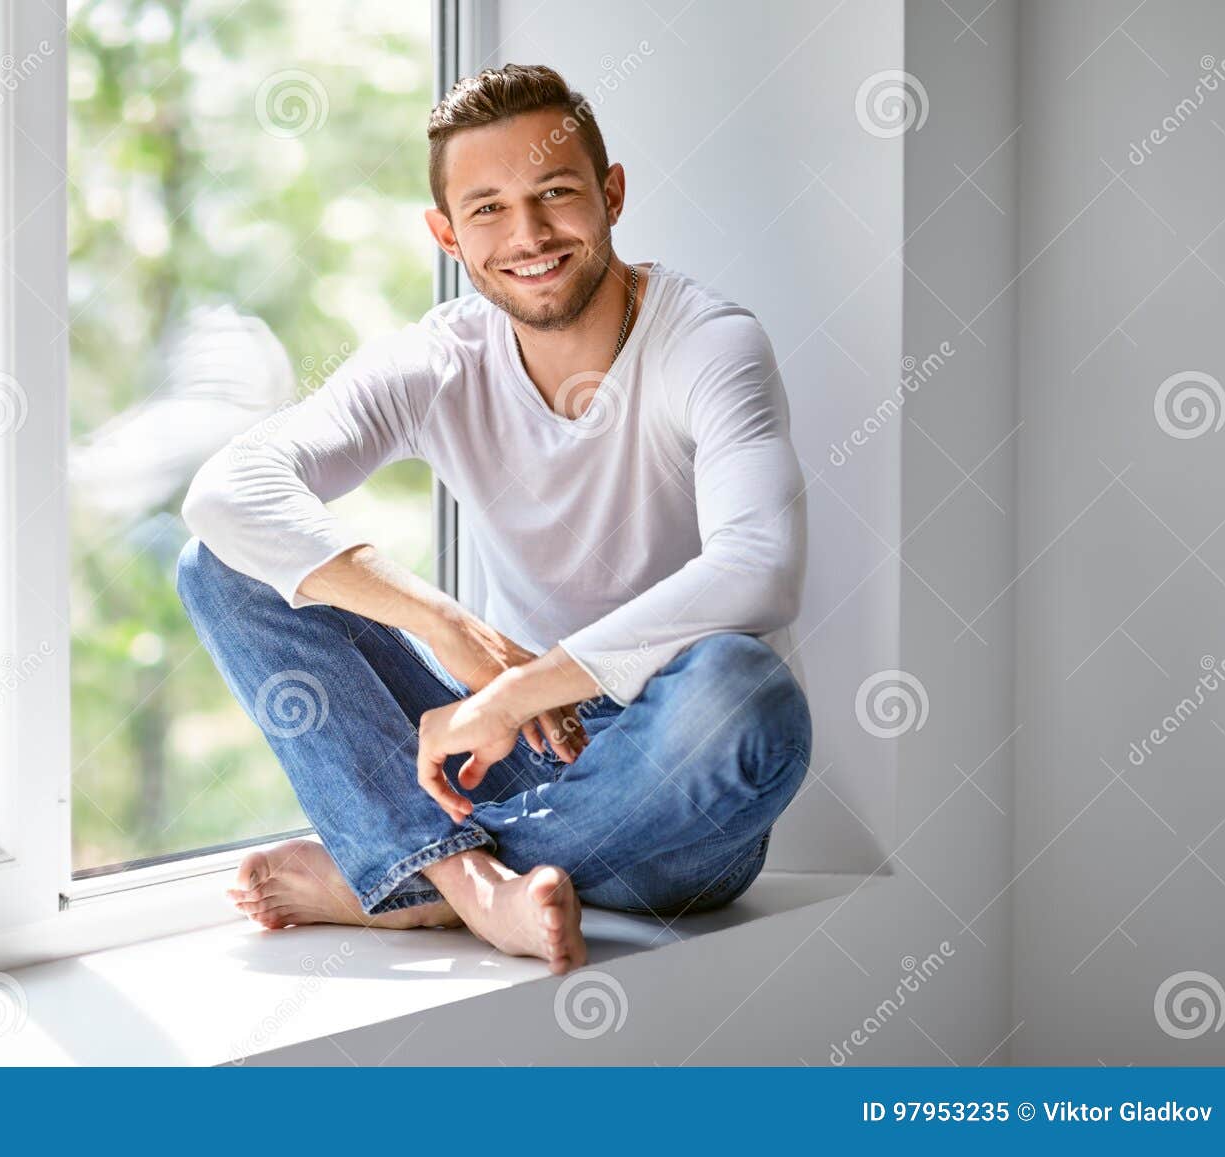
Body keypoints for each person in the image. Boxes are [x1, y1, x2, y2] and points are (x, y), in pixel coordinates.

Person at [177, 64, 811, 974]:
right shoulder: (441, 358)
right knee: (220, 562)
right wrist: (450, 628)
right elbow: (228, 492)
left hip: (667, 790)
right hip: (497, 758)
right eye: (488, 210)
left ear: (612, 193)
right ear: (445, 233)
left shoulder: (709, 343)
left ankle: (404, 876)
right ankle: (474, 890)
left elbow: (762, 566)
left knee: (747, 695)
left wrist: (521, 689)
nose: (529, 235)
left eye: (556, 194)